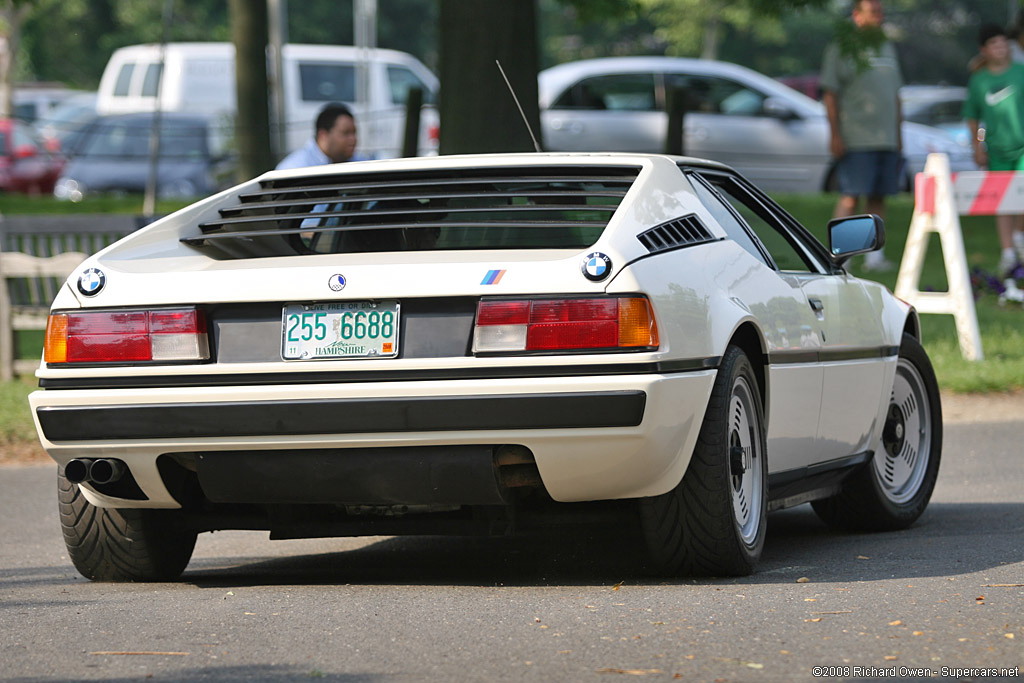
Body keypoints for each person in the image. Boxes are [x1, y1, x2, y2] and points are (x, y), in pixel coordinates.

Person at [820, 0, 903, 271]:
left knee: (878, 197)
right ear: (856, 15)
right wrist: (835, 135)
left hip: (886, 137)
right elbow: (830, 94)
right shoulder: (840, 48)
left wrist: (898, 134)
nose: (879, 17)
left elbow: (896, 95)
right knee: (850, 195)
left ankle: (874, 257)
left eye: (881, 12)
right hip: (856, 136)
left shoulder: (887, 46)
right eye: (873, 12)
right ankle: (839, 257)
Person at [964, 24, 1024, 277]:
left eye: (1004, 43)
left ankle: (1020, 238)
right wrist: (979, 146)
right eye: (995, 44)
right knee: (1002, 201)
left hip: (1022, 147)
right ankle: (1008, 251)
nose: (1001, 49)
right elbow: (973, 117)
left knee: (1022, 196)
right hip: (997, 150)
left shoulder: (1021, 73)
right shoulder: (979, 81)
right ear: (984, 50)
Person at [276, 103, 368, 170]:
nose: (353, 139)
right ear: (323, 135)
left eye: (354, 133)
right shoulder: (294, 169)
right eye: (346, 133)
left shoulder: (360, 163)